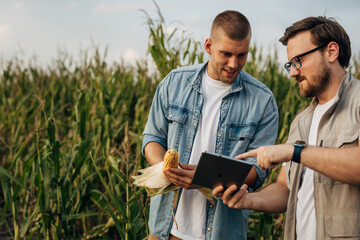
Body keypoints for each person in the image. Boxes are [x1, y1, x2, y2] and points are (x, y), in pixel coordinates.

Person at [213, 16, 360, 240]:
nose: (292, 72)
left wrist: (295, 152)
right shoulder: (301, 121)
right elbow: (285, 189)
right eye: (290, 64)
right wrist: (249, 200)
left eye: (298, 60)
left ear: (331, 51)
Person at [142, 10, 279, 240]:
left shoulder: (262, 101)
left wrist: (206, 178)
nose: (234, 64)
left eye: (242, 55)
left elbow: (257, 171)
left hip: (222, 232)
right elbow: (152, 138)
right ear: (208, 46)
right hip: (166, 228)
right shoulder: (174, 83)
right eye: (226, 54)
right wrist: (168, 172)